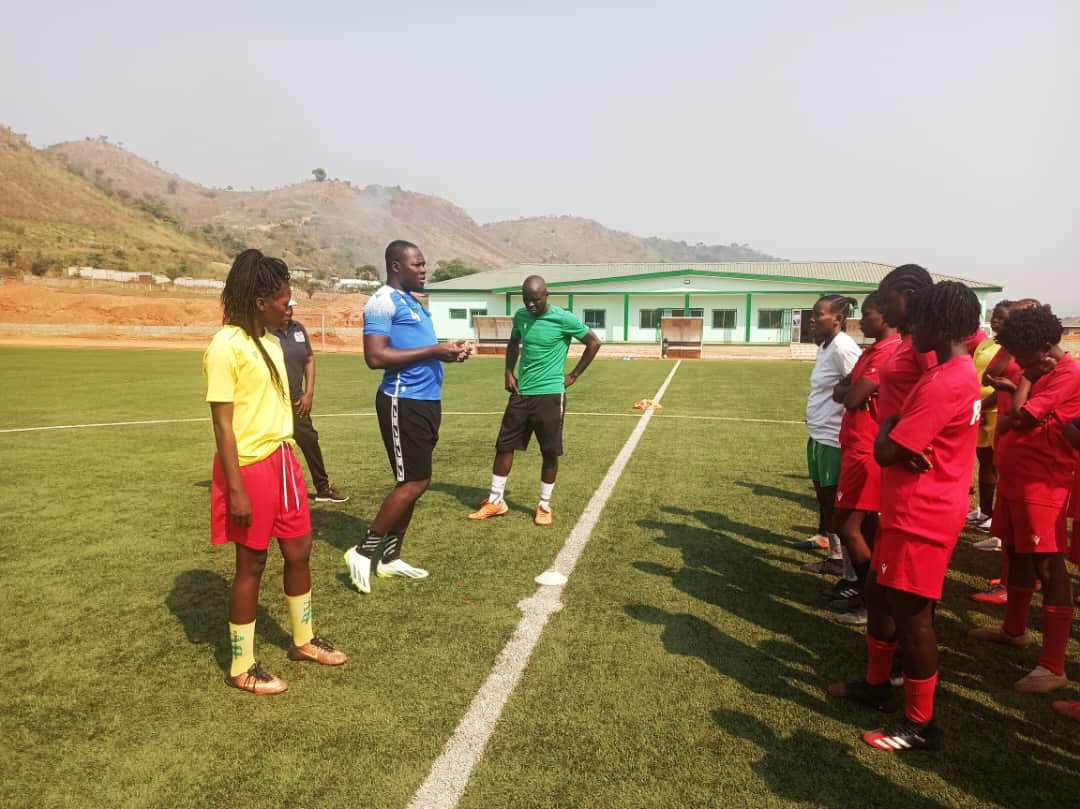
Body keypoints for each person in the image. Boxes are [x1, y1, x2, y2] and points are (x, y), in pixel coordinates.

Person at [827, 280, 983, 753]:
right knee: (878, 591)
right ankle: (877, 686)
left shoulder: (947, 380)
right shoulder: (945, 372)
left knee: (914, 620)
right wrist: (896, 434)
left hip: (924, 512)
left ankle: (920, 724)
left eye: (919, 317)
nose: (910, 325)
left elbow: (890, 447)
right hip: (910, 506)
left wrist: (891, 430)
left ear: (938, 322)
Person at [205, 249, 347, 695]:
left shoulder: (270, 341)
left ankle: (303, 640)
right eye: (285, 299)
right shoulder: (225, 345)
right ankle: (241, 665)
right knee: (252, 563)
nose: (291, 307)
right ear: (260, 299)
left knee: (300, 551)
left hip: (284, 461)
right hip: (249, 469)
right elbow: (223, 424)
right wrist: (236, 489)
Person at [344, 241, 471, 594]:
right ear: (397, 266)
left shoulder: (412, 303)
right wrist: (434, 350)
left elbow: (417, 350)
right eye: (418, 264)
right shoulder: (381, 301)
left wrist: (447, 352)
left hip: (427, 401)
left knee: (419, 480)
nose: (424, 270)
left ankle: (390, 557)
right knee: (412, 481)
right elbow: (375, 357)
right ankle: (363, 550)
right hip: (403, 401)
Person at [967, 304, 1079, 694]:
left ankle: (1053, 666)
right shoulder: (1041, 367)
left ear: (1048, 348)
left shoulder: (1068, 374)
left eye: (1027, 359)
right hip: (1017, 478)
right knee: (1014, 553)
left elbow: (1022, 417)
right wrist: (1019, 389)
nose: (1022, 364)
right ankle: (1014, 630)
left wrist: (1022, 386)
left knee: (1049, 566)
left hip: (1043, 483)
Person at [467, 275, 602, 525]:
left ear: (546, 295)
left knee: (549, 452)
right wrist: (509, 371)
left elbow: (594, 342)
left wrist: (573, 374)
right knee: (504, 446)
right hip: (521, 394)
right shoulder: (521, 316)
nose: (530, 305)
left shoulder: (563, 318)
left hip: (550, 395)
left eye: (535, 300)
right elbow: (514, 342)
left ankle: (544, 505)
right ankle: (496, 501)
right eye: (526, 300)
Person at [828, 292, 901, 624]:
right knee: (864, 527)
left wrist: (852, 392)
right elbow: (840, 389)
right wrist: (850, 392)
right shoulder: (871, 351)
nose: (862, 320)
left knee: (847, 525)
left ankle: (872, 602)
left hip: (866, 449)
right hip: (857, 446)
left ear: (884, 316)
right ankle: (870, 596)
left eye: (867, 314)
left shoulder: (886, 352)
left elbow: (852, 395)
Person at [800, 295, 862, 576]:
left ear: (837, 319)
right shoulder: (826, 346)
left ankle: (848, 571)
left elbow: (861, 387)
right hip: (819, 433)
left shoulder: (843, 348)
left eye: (818, 315)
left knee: (837, 506)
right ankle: (835, 556)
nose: (812, 319)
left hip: (833, 438)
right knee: (825, 502)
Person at [274, 300, 348, 503]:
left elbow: (309, 359)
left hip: (297, 399)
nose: (289, 310)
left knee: (309, 439)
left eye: (291, 307)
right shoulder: (264, 330)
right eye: (284, 306)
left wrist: (308, 393)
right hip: (271, 401)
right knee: (273, 445)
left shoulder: (299, 329)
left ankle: (323, 489)